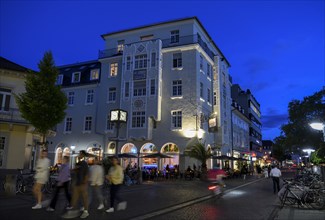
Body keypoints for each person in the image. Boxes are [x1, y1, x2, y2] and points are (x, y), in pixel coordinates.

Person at [62, 150, 89, 219]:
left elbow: (86, 173)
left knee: (84, 198)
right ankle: (72, 211)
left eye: (80, 154)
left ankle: (86, 212)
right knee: (74, 198)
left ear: (83, 155)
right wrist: (73, 170)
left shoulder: (85, 163)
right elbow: (75, 171)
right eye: (79, 154)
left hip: (82, 184)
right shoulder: (78, 163)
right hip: (77, 183)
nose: (79, 155)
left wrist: (84, 182)